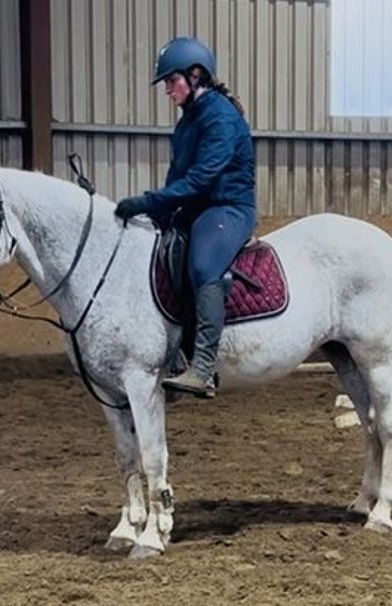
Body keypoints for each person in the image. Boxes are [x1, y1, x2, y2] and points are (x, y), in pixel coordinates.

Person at [114, 37, 257, 398]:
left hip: (227, 207)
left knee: (203, 265)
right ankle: (172, 353)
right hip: (196, 205)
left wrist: (146, 201)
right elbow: (178, 178)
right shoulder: (188, 120)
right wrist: (154, 213)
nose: (166, 90)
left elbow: (200, 179)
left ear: (196, 76)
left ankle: (204, 368)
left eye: (170, 81)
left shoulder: (221, 117)